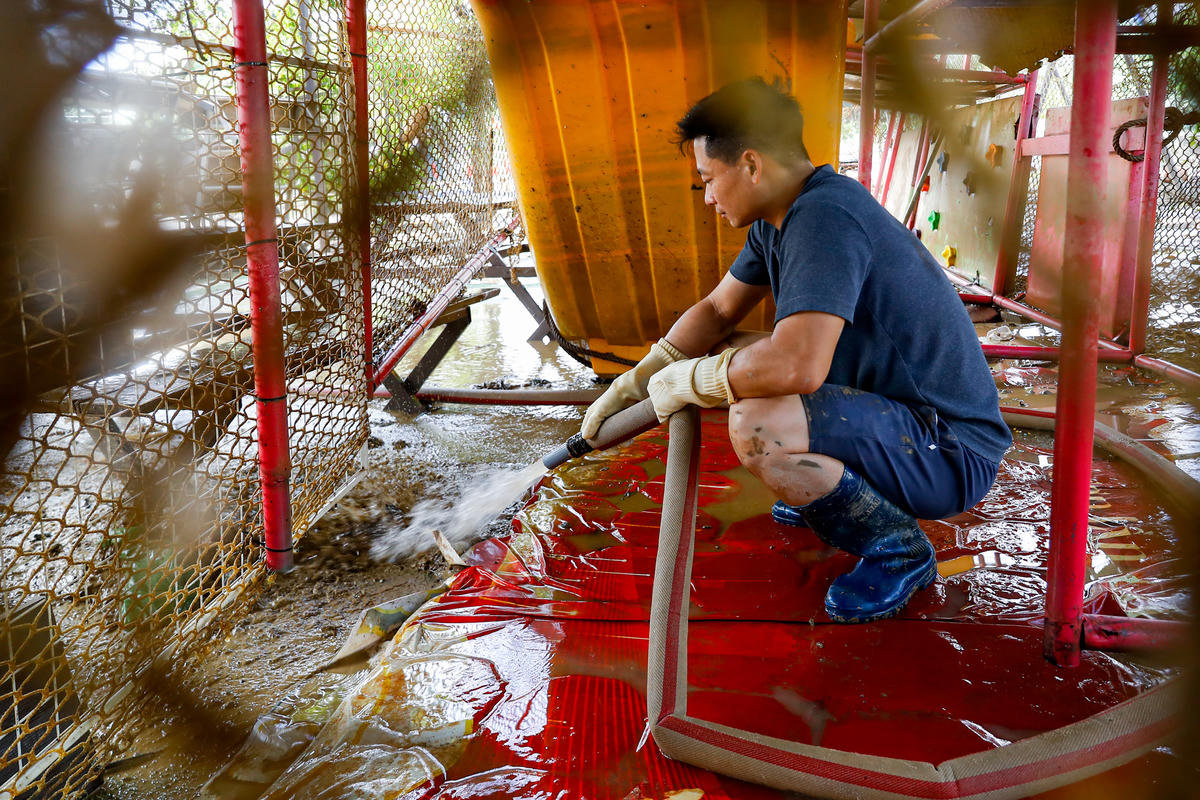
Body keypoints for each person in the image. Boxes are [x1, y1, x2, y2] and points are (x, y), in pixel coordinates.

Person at [579, 77, 1011, 624]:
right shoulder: (782, 218)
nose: (708, 196)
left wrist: (691, 381)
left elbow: (798, 366)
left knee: (759, 423)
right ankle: (837, 493)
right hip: (905, 420)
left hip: (948, 450)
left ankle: (900, 549)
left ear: (752, 165)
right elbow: (716, 313)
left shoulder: (825, 219)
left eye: (709, 179)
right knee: (735, 353)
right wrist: (640, 380)